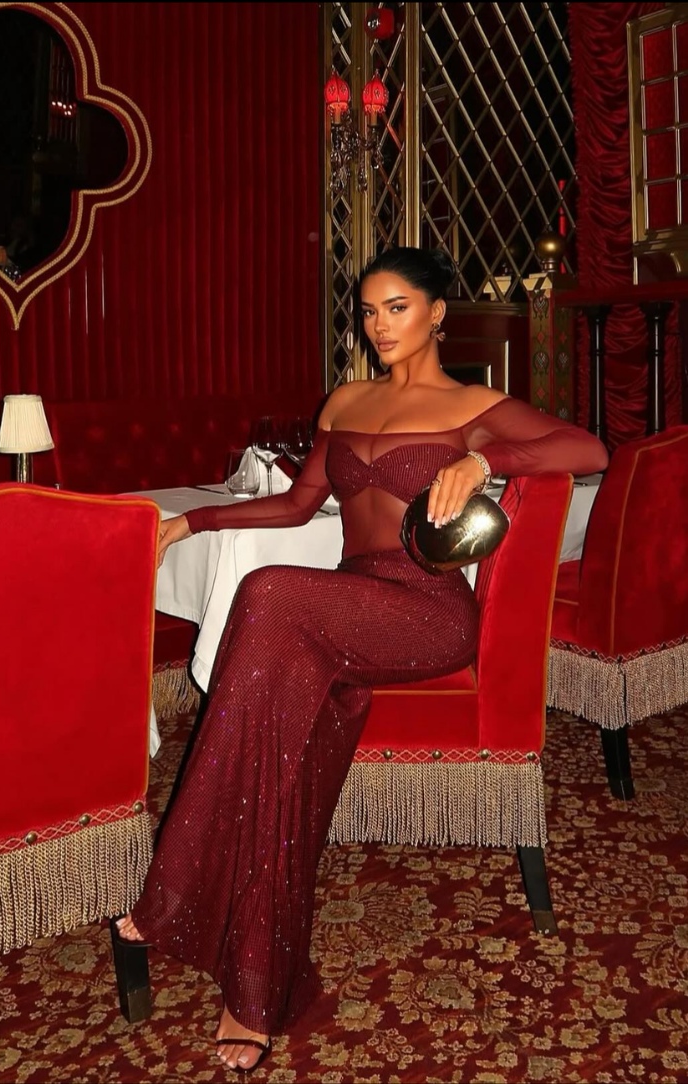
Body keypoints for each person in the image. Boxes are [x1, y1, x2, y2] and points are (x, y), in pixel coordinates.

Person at [117, 247, 608, 1073]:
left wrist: (483, 458)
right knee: (278, 731)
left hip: (427, 613)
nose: (379, 325)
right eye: (370, 310)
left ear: (438, 313)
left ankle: (178, 881)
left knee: (269, 594)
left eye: (398, 308)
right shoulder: (344, 400)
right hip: (347, 607)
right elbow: (298, 504)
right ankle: (255, 988)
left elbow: (588, 450)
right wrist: (189, 524)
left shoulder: (473, 405)